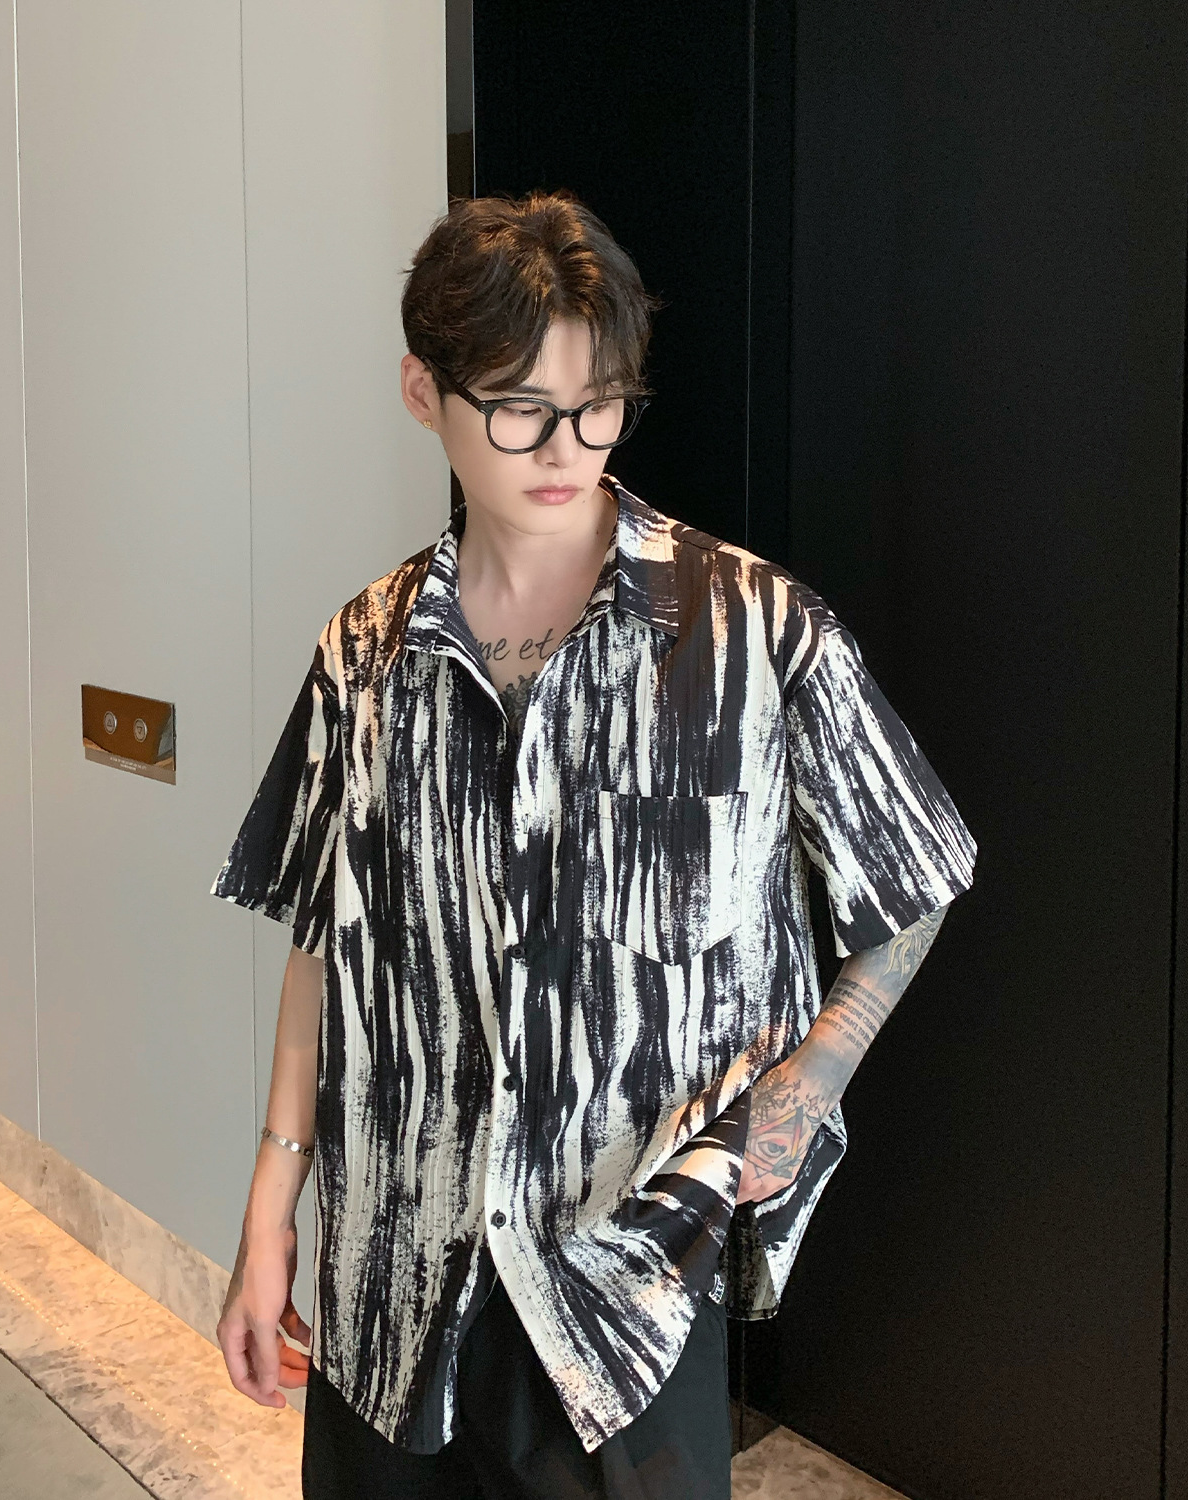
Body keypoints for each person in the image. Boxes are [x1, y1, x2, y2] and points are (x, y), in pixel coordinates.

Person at [210, 190, 978, 1500]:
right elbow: (324, 944)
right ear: (423, 391)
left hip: (622, 1297)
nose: (565, 447)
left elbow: (914, 877)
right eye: (519, 408)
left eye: (599, 403)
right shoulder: (365, 651)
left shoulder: (755, 633)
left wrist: (803, 1092)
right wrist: (268, 1212)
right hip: (389, 1281)